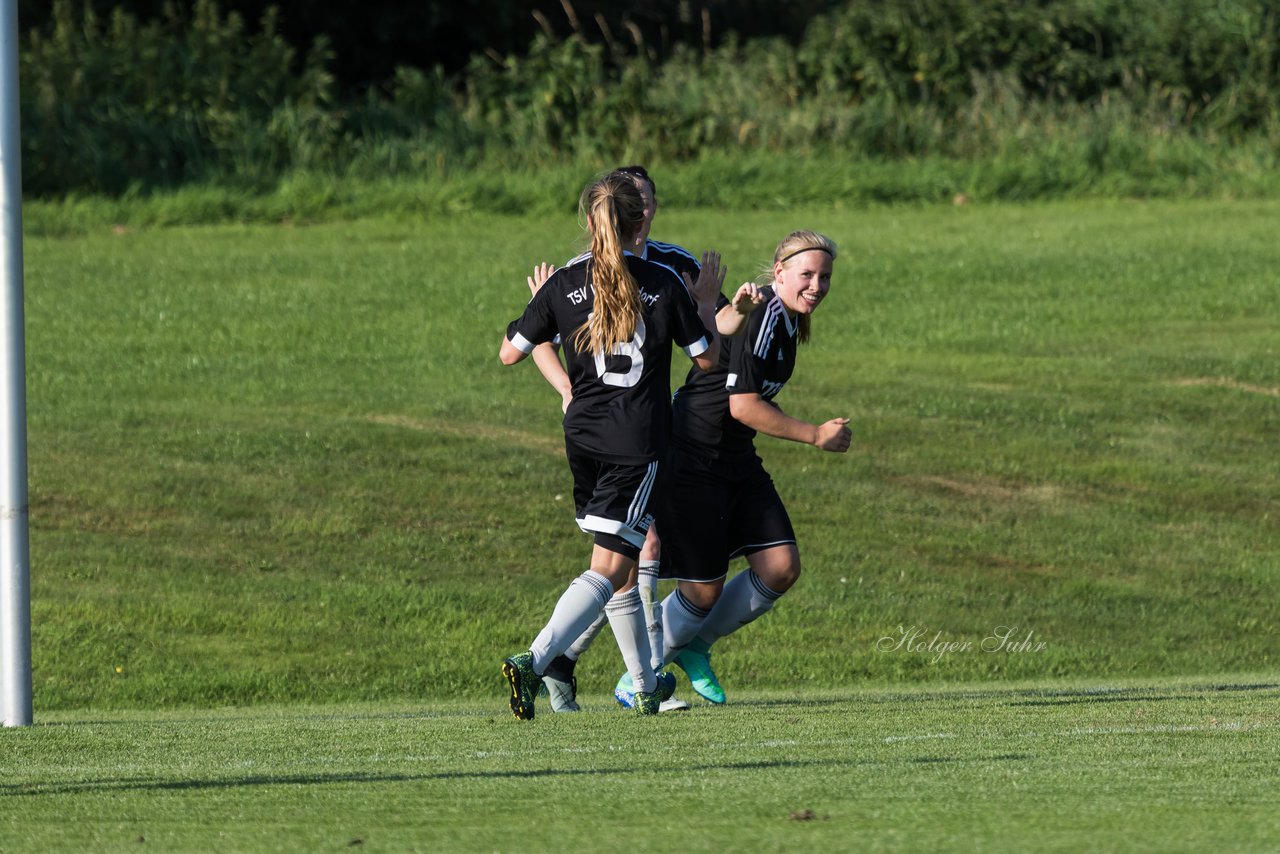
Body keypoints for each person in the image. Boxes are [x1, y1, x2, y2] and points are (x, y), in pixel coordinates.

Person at [499, 172, 748, 719]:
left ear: (590, 222)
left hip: (581, 437)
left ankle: (643, 684)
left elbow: (510, 353)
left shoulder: (563, 281)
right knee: (612, 567)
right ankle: (536, 659)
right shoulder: (662, 279)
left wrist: (549, 308)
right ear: (643, 220)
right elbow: (706, 359)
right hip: (636, 442)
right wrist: (705, 301)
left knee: (621, 558)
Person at [655, 230, 852, 705]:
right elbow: (742, 405)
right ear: (779, 272)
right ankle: (641, 675)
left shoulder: (785, 319)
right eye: (807, 275)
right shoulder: (763, 312)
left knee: (780, 566)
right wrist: (815, 435)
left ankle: (694, 647)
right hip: (695, 456)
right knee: (702, 591)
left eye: (824, 277)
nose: (817, 285)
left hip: (734, 456)